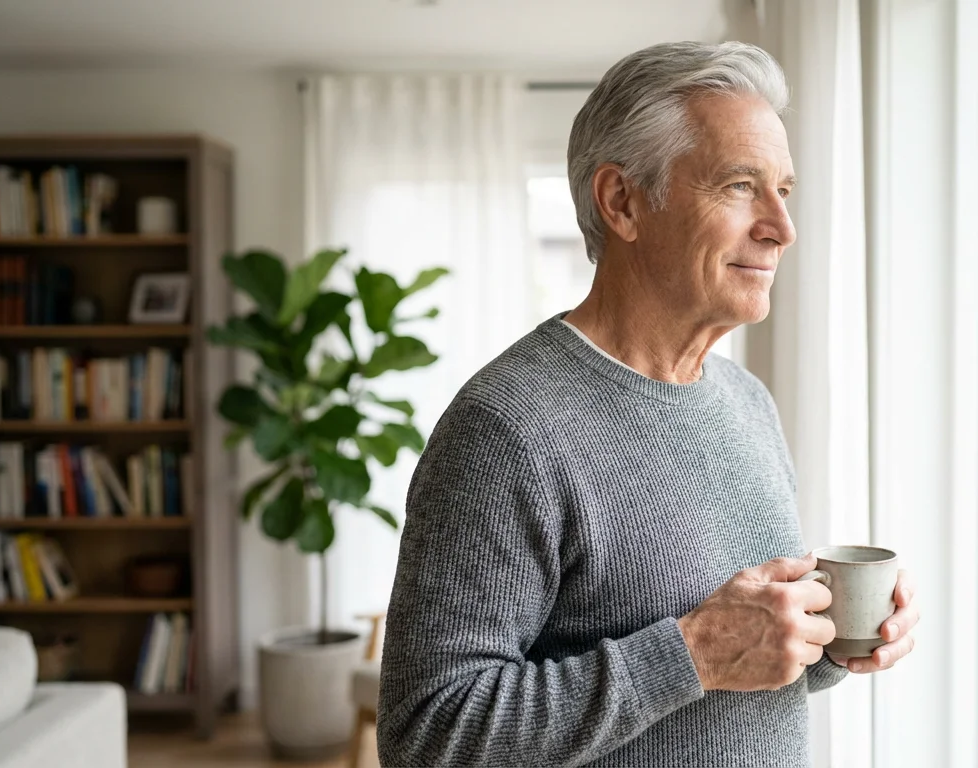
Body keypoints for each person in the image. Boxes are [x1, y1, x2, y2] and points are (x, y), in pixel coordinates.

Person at [377, 40, 920, 767]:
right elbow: (427, 737)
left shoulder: (746, 403)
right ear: (623, 202)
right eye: (738, 186)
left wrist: (823, 637)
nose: (781, 228)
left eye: (783, 191)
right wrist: (690, 654)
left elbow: (729, 676)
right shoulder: (504, 430)